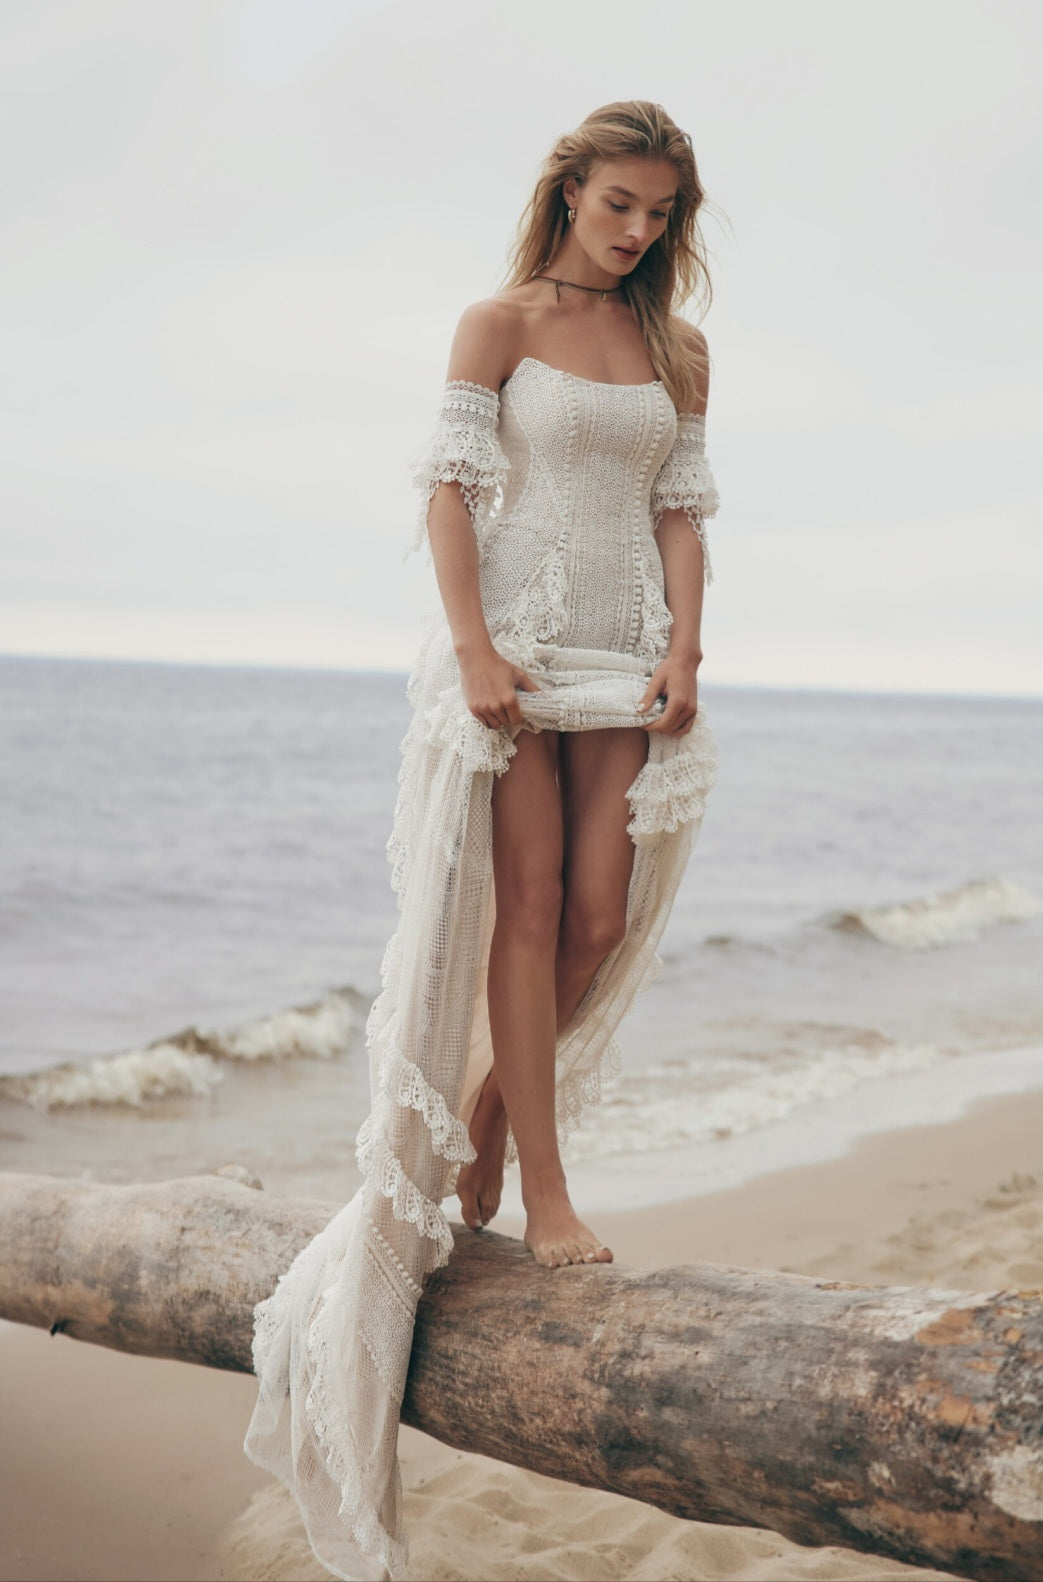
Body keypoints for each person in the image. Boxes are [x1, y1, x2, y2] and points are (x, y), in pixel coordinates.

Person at [244, 99, 721, 1582]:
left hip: (622, 647)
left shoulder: (677, 349)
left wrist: (689, 652)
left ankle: (484, 1103)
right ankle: (540, 1191)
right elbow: (448, 492)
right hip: (513, 636)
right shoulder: (496, 320)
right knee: (525, 913)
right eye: (617, 203)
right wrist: (468, 650)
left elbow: (684, 507)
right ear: (568, 189)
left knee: (596, 916)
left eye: (658, 212)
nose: (635, 230)